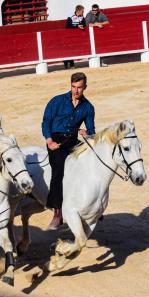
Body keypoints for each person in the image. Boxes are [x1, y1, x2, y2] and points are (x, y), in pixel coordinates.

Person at [41, 71, 95, 230]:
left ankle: (90, 206)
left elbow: (92, 130)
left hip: (72, 141)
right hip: (56, 140)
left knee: (90, 165)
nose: (76, 90)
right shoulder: (57, 101)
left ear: (85, 87)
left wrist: (87, 133)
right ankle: (57, 214)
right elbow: (46, 122)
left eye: (79, 87)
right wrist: (49, 141)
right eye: (73, 87)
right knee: (59, 171)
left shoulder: (88, 107)